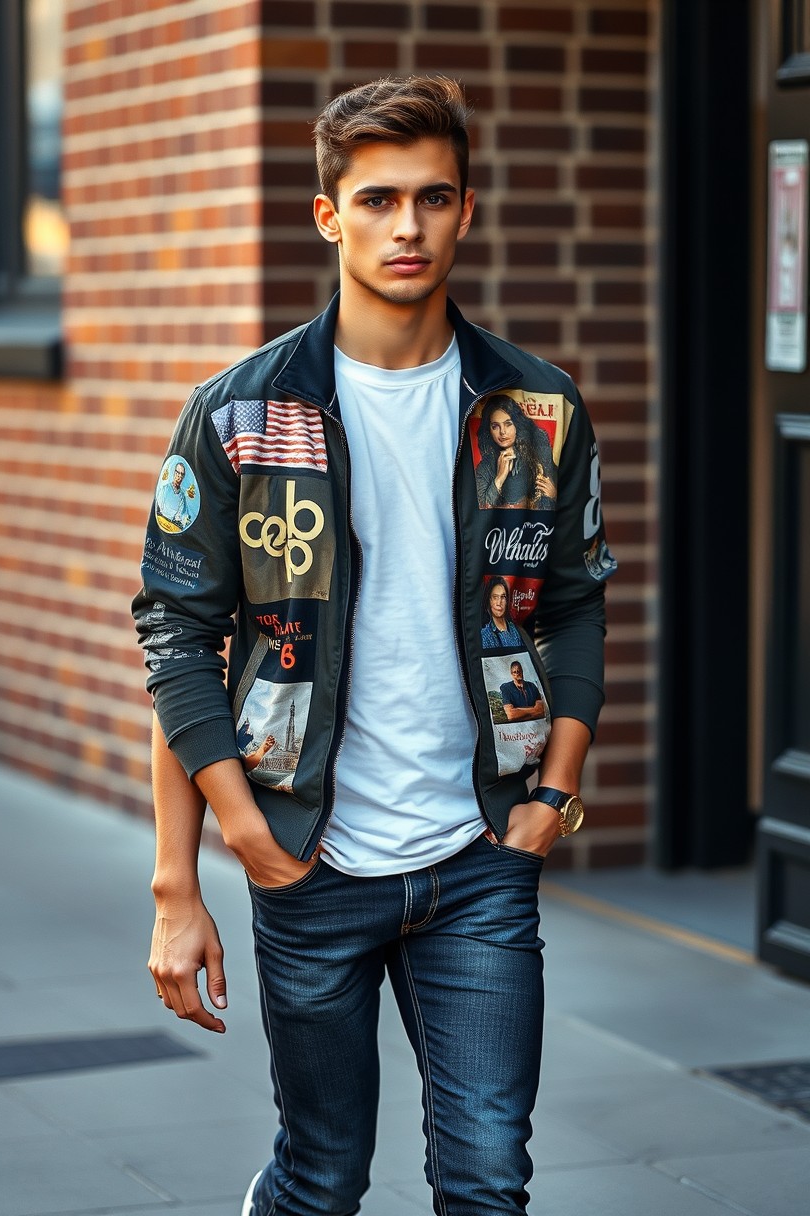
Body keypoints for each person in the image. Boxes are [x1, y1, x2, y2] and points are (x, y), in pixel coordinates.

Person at [134, 76, 616, 1216]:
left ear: (467, 209)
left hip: (479, 858)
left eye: (434, 198)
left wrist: (554, 790)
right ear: (328, 214)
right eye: (379, 199)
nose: (408, 226)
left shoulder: (537, 410)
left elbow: (576, 601)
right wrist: (197, 866)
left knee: (490, 1175)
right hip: (308, 858)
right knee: (321, 1177)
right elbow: (178, 633)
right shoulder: (240, 414)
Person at [474, 395, 556, 510]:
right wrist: (499, 478)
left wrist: (554, 495)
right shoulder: (485, 468)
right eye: (495, 426)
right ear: (489, 430)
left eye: (508, 424)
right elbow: (481, 511)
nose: (502, 432)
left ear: (517, 424)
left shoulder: (538, 454)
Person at [481, 575, 523, 648]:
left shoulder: (514, 629)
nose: (499, 603)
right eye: (495, 597)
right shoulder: (486, 634)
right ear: (489, 600)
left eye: (503, 597)